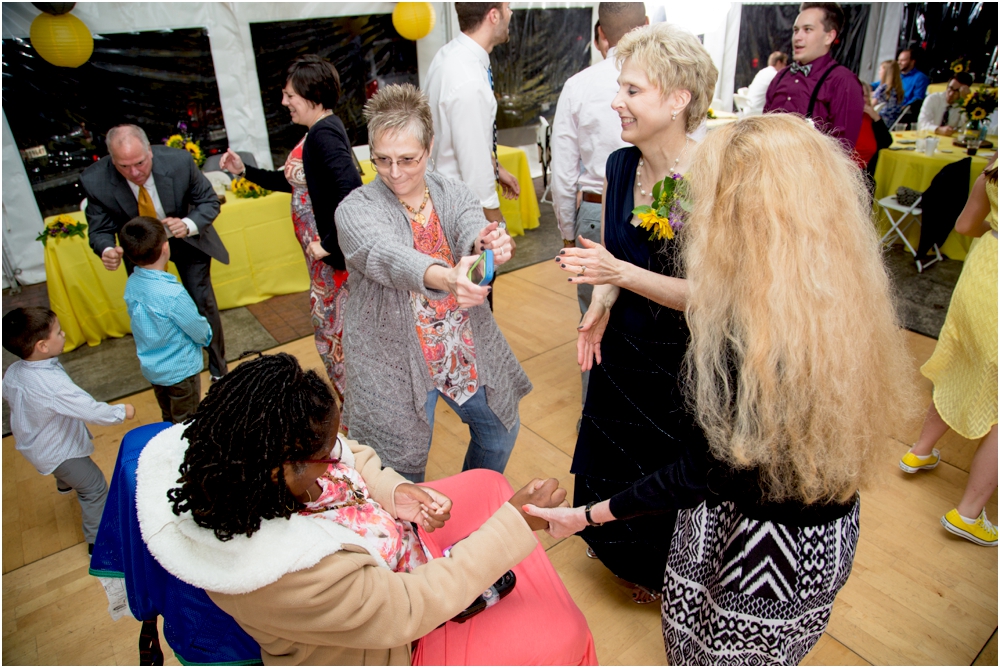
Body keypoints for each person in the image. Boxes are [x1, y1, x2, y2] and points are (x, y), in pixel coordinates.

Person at [536, 114, 915, 664]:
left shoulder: (759, 340)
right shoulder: (832, 292)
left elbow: (702, 470)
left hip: (761, 553)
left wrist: (586, 516)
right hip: (818, 537)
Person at [137, 352, 597, 665]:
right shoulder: (276, 571)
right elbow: (406, 607)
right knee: (567, 634)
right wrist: (514, 525)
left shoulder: (243, 450)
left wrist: (392, 491)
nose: (334, 454)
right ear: (284, 469)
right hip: (394, 641)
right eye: (321, 457)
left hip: (394, 559)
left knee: (489, 482)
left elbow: (348, 451)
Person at [551, 22, 717, 605]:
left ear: (679, 100)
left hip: (682, 360)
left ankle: (665, 573)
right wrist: (600, 302)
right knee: (613, 454)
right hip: (622, 344)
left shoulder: (711, 178)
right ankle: (620, 553)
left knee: (666, 464)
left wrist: (616, 275)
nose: (615, 102)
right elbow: (620, 254)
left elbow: (713, 294)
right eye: (618, 88)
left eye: (633, 91)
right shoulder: (621, 166)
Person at [335, 84, 529, 483]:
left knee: (499, 430)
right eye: (382, 160)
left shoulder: (452, 191)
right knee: (398, 470)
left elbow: (470, 227)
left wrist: (486, 243)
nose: (394, 172)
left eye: (408, 159)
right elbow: (384, 255)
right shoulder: (355, 209)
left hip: (459, 345)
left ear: (430, 147)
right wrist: (446, 276)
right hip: (390, 358)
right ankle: (414, 538)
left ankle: (466, 509)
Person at [220, 55, 362, 400]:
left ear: (312, 95)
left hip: (331, 265)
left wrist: (329, 244)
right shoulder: (319, 131)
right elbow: (299, 184)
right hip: (322, 264)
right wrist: (244, 171)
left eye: (290, 96)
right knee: (336, 335)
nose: (284, 103)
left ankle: (358, 414)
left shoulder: (323, 134)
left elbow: (351, 191)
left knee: (335, 338)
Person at [551, 2, 647, 411]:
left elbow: (562, 170)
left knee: (591, 319)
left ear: (601, 34)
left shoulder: (579, 85)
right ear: (644, 27)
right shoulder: (661, 82)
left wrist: (567, 232)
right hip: (655, 206)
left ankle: (595, 415)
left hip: (593, 211)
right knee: (643, 317)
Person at [900, 158, 997, 547]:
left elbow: (965, 226)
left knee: (960, 361)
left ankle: (919, 450)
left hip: (983, 272)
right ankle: (969, 512)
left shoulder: (994, 167)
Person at [80, 125, 228, 380]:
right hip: (140, 250)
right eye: (123, 167)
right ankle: (171, 374)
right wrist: (106, 248)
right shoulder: (95, 180)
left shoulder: (179, 161)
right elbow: (99, 228)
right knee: (151, 313)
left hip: (185, 241)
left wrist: (188, 224)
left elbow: (209, 201)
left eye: (139, 163)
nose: (134, 172)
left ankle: (218, 370)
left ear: (150, 152)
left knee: (201, 303)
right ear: (111, 160)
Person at [2, 307, 136, 553]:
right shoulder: (51, 385)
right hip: (60, 452)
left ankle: (64, 483)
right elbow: (89, 409)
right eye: (59, 332)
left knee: (64, 471)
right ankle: (100, 542)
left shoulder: (14, 371)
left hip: (33, 441)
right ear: (42, 346)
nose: (64, 334)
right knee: (94, 486)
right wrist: (120, 412)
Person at [424, 2, 520, 229]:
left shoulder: (449, 55)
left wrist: (496, 168)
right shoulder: (469, 80)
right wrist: (498, 226)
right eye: (508, 6)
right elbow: (475, 173)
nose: (511, 13)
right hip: (462, 215)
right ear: (494, 16)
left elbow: (468, 137)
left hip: (444, 204)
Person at [121, 216, 212, 423]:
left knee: (168, 417)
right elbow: (196, 327)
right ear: (165, 248)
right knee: (186, 423)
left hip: (154, 370)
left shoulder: (132, 283)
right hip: (180, 370)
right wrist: (207, 336)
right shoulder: (172, 293)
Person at [764, 2, 863, 150]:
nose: (797, 37)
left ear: (829, 37)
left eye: (807, 30)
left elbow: (842, 150)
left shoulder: (843, 81)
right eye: (796, 30)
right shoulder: (781, 76)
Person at [745, 50, 788, 115]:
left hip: (748, 108)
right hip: (757, 112)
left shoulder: (762, 72)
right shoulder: (775, 75)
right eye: (784, 64)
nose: (785, 67)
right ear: (779, 62)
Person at [872, 58, 906, 129]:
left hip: (879, 122)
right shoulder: (898, 90)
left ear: (885, 72)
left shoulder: (882, 88)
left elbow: (872, 105)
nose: (879, 72)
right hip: (892, 123)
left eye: (880, 69)